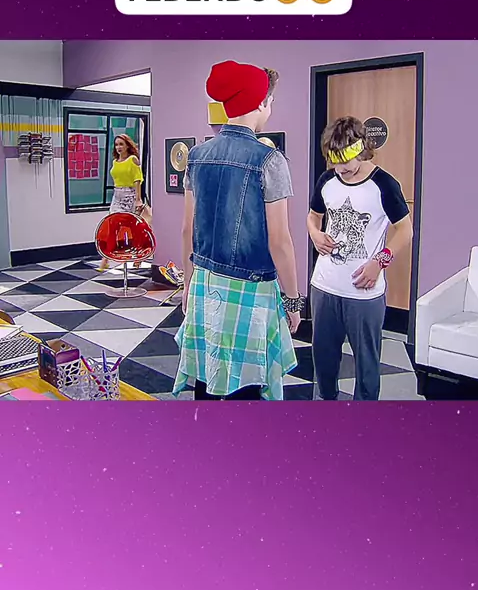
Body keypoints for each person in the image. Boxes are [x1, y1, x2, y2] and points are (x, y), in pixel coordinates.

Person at [173, 60, 304, 401]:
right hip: (251, 288)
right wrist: (293, 301)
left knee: (207, 373)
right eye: (270, 100)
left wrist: (187, 285)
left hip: (204, 283)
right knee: (246, 384)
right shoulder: (270, 160)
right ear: (261, 102)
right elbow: (280, 241)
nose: (270, 107)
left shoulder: (197, 156)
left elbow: (187, 229)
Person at [307, 116, 413, 401]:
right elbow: (313, 216)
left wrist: (380, 261)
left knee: (367, 367)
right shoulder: (327, 180)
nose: (341, 169)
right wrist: (315, 234)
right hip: (324, 287)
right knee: (323, 363)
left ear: (362, 149)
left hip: (364, 293)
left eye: (346, 162)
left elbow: (406, 230)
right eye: (335, 163)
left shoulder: (384, 184)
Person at [98, 134, 145, 272]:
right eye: (116, 144)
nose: (118, 147)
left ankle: (138, 256)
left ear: (127, 146)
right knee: (112, 226)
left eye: (121, 144)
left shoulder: (133, 159)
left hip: (130, 195)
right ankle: (105, 259)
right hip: (117, 195)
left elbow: (137, 179)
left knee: (133, 228)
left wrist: (138, 199)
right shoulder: (115, 162)